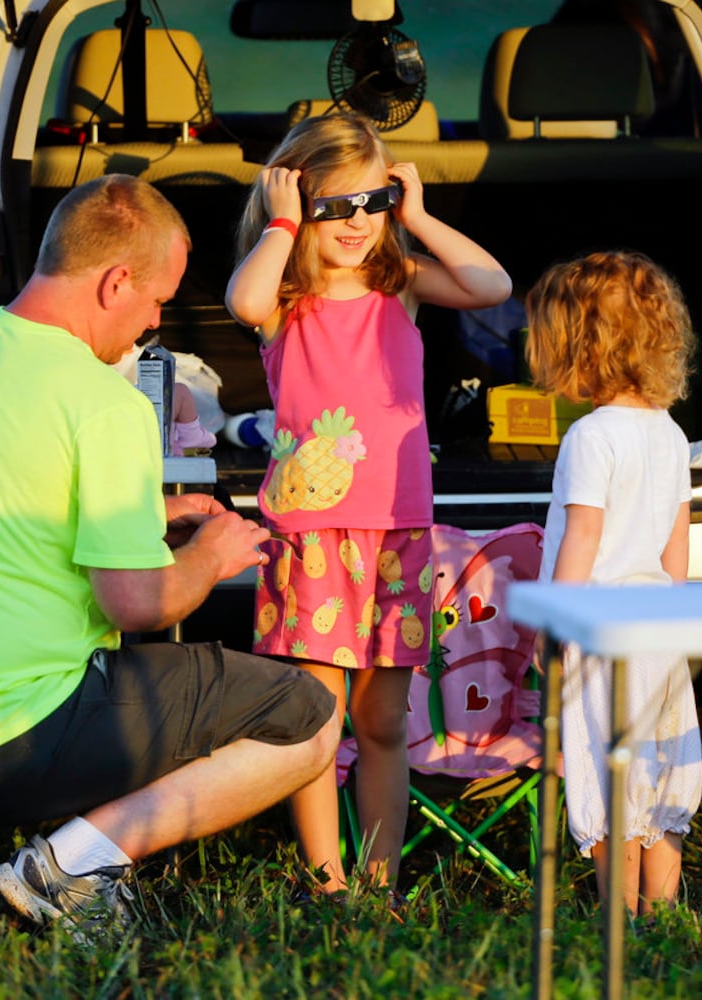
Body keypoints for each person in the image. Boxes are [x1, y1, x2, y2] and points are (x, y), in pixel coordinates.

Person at [0, 174, 339, 932]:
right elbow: (136, 603)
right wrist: (213, 552)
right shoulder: (103, 400)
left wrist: (147, 512)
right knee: (307, 718)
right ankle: (69, 866)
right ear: (115, 282)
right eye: (157, 299)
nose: (153, 321)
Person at [224, 113, 512, 894]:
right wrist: (283, 219)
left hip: (397, 533)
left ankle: (380, 883)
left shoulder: (400, 283)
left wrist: (415, 217)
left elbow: (493, 286)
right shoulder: (284, 295)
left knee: (384, 721)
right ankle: (329, 885)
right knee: (316, 725)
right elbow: (243, 300)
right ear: (298, 204)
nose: (355, 224)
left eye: (371, 203)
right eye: (333, 207)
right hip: (311, 536)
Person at [525, 249, 702, 916]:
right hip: (659, 624)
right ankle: (664, 913)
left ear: (578, 348)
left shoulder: (591, 438)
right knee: (659, 773)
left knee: (610, 774)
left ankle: (618, 919)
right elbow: (676, 540)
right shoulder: (670, 433)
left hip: (600, 631)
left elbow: (584, 537)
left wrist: (555, 627)